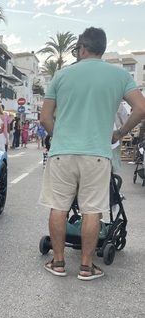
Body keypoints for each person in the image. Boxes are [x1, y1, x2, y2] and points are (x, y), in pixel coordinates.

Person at [39, 26, 145, 281]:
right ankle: (86, 266)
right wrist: (119, 133)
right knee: (92, 210)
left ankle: (59, 262)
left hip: (62, 153)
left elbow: (44, 118)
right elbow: (140, 108)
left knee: (59, 207)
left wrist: (58, 136)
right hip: (97, 154)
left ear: (82, 48)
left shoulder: (62, 76)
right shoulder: (119, 76)